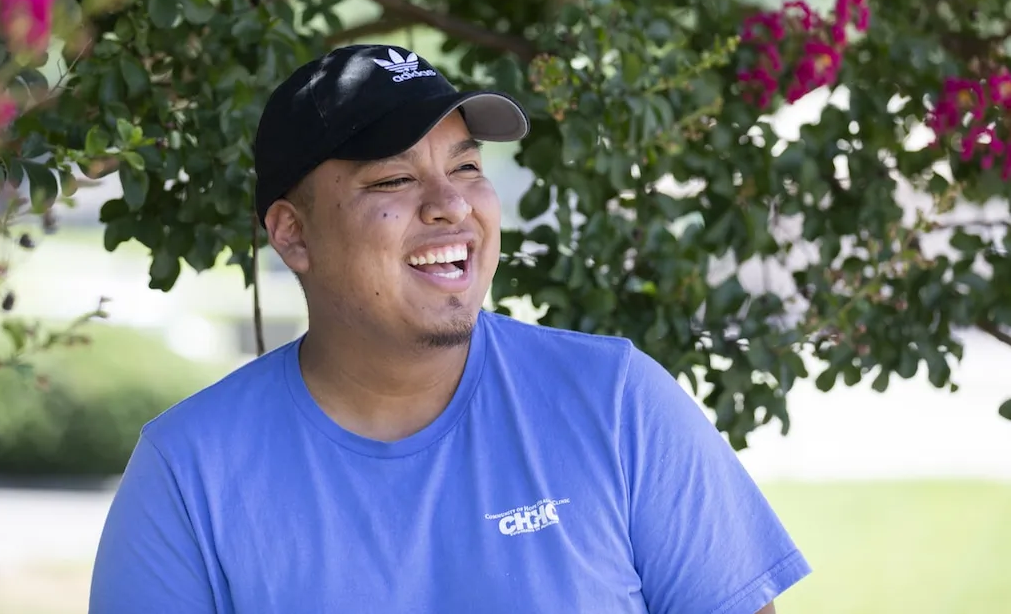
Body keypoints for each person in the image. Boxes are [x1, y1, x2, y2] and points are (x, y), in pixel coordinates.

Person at [88, 44, 811, 613]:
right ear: (292, 233)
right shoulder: (189, 472)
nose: (452, 205)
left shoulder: (619, 403)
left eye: (466, 167)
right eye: (393, 180)